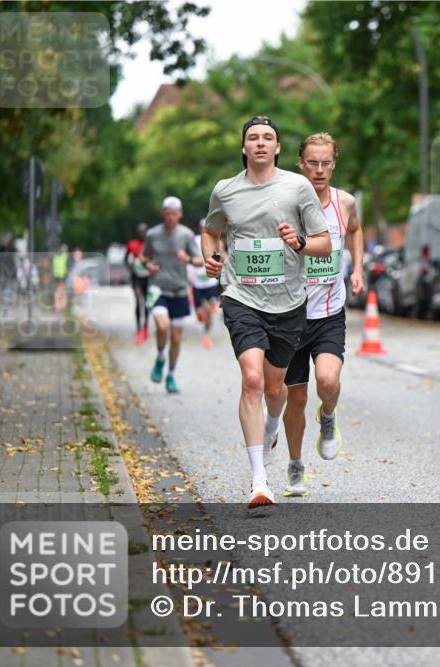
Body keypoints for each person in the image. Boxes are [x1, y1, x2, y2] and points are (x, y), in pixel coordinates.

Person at [202, 116, 331, 509]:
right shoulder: (225, 191)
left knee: (276, 391)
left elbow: (324, 244)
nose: (260, 143)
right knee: (253, 380)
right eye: (253, 138)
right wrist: (212, 259)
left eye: (268, 138)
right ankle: (260, 479)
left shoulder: (297, 187)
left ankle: (272, 425)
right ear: (244, 148)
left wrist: (299, 242)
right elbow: (212, 231)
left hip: (289, 302)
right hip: (242, 297)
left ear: (277, 148)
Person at [281, 133, 365, 497]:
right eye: (312, 163)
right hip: (290, 313)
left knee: (327, 382)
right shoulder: (285, 202)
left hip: (329, 311)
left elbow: (356, 232)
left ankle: (328, 418)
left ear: (334, 163)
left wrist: (357, 267)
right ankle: (296, 465)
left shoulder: (344, 203)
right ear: (301, 162)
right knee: (296, 398)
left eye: (326, 163)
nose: (319, 170)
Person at [139, 197, 203, 394]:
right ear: (163, 214)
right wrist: (148, 265)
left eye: (174, 213)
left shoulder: (186, 235)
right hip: (158, 289)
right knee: (162, 325)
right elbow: (143, 256)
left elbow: (201, 261)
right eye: (167, 213)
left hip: (180, 290)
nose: (171, 217)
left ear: (180, 214)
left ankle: (171, 375)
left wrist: (189, 259)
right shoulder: (152, 234)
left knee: (176, 338)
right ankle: (160, 356)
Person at [189, 219, 221, 349]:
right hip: (197, 283)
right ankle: (202, 315)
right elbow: (189, 255)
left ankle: (206, 335)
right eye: (202, 226)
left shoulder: (215, 240)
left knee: (209, 310)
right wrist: (189, 273)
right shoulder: (194, 241)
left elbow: (221, 254)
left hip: (210, 282)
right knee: (200, 312)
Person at [124, 225, 151, 343]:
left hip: (148, 277)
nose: (142, 233)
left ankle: (145, 326)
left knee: (146, 304)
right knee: (138, 301)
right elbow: (125, 259)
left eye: (144, 231)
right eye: (140, 231)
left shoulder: (150, 244)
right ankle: (138, 329)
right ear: (137, 232)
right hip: (136, 278)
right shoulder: (132, 244)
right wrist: (130, 267)